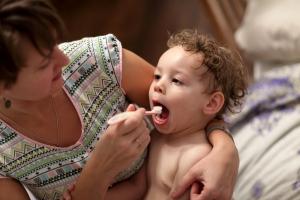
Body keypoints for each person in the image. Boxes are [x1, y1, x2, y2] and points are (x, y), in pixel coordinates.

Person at [0, 0, 238, 200]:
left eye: (53, 44)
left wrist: (225, 151)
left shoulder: (96, 59)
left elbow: (194, 109)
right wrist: (99, 170)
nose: (63, 60)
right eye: (44, 63)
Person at [144, 29, 248, 199]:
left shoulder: (196, 156)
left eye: (176, 80)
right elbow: (137, 187)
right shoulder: (155, 137)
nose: (158, 85)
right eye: (157, 76)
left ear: (211, 103)